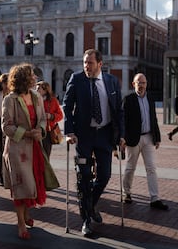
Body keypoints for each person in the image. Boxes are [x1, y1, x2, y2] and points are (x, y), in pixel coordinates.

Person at [62, 49, 124, 237]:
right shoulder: (77, 79)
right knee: (84, 177)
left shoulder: (112, 81)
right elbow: (67, 105)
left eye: (90, 63)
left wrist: (121, 134)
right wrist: (69, 131)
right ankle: (86, 221)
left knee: (104, 175)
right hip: (83, 136)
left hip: (105, 134)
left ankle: (89, 206)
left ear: (100, 64)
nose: (86, 66)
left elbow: (118, 110)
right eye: (84, 63)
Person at [1, 63, 47, 240]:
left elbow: (42, 118)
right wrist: (27, 133)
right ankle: (20, 223)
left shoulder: (36, 96)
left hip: (34, 147)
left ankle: (26, 214)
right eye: (32, 75)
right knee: (20, 186)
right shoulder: (9, 99)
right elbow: (6, 126)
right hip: (17, 149)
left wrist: (40, 130)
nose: (35, 77)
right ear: (23, 79)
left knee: (32, 183)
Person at [121, 73, 169, 210]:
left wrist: (157, 137)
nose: (141, 85)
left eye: (143, 83)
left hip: (148, 137)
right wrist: (122, 138)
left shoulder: (151, 99)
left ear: (146, 84)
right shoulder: (128, 99)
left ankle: (155, 198)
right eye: (138, 83)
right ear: (133, 84)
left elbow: (153, 119)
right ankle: (127, 193)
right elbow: (123, 120)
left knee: (151, 168)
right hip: (132, 139)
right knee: (130, 167)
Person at [36, 81, 64, 160]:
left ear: (45, 90)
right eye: (36, 88)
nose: (36, 90)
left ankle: (45, 171)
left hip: (48, 132)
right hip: (36, 130)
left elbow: (60, 115)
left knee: (45, 155)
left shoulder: (53, 101)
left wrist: (51, 116)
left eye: (38, 89)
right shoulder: (33, 100)